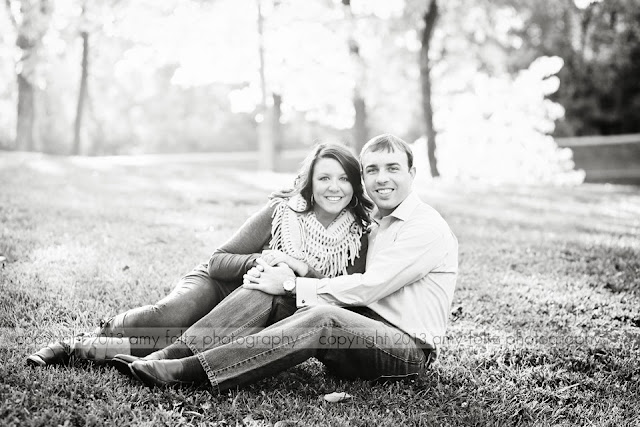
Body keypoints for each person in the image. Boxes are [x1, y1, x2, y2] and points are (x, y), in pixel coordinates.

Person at [118, 134, 459, 393]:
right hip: (362, 328)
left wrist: (294, 284)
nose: (382, 178)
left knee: (320, 315)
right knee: (271, 288)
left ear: (412, 173)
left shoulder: (425, 227)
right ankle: (168, 355)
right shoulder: (374, 223)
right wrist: (280, 275)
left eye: (393, 168)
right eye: (373, 170)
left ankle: (189, 370)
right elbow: (224, 261)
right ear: (365, 181)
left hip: (406, 349)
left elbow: (370, 285)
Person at [26, 143, 373, 367]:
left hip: (258, 305)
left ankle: (77, 351)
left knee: (182, 343)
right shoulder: (282, 212)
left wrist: (297, 271)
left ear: (354, 185)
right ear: (310, 182)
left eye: (343, 178)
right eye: (324, 177)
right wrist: (257, 262)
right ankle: (100, 334)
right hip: (221, 283)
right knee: (165, 319)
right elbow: (219, 261)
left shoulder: (359, 237)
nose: (334, 187)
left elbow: (341, 295)